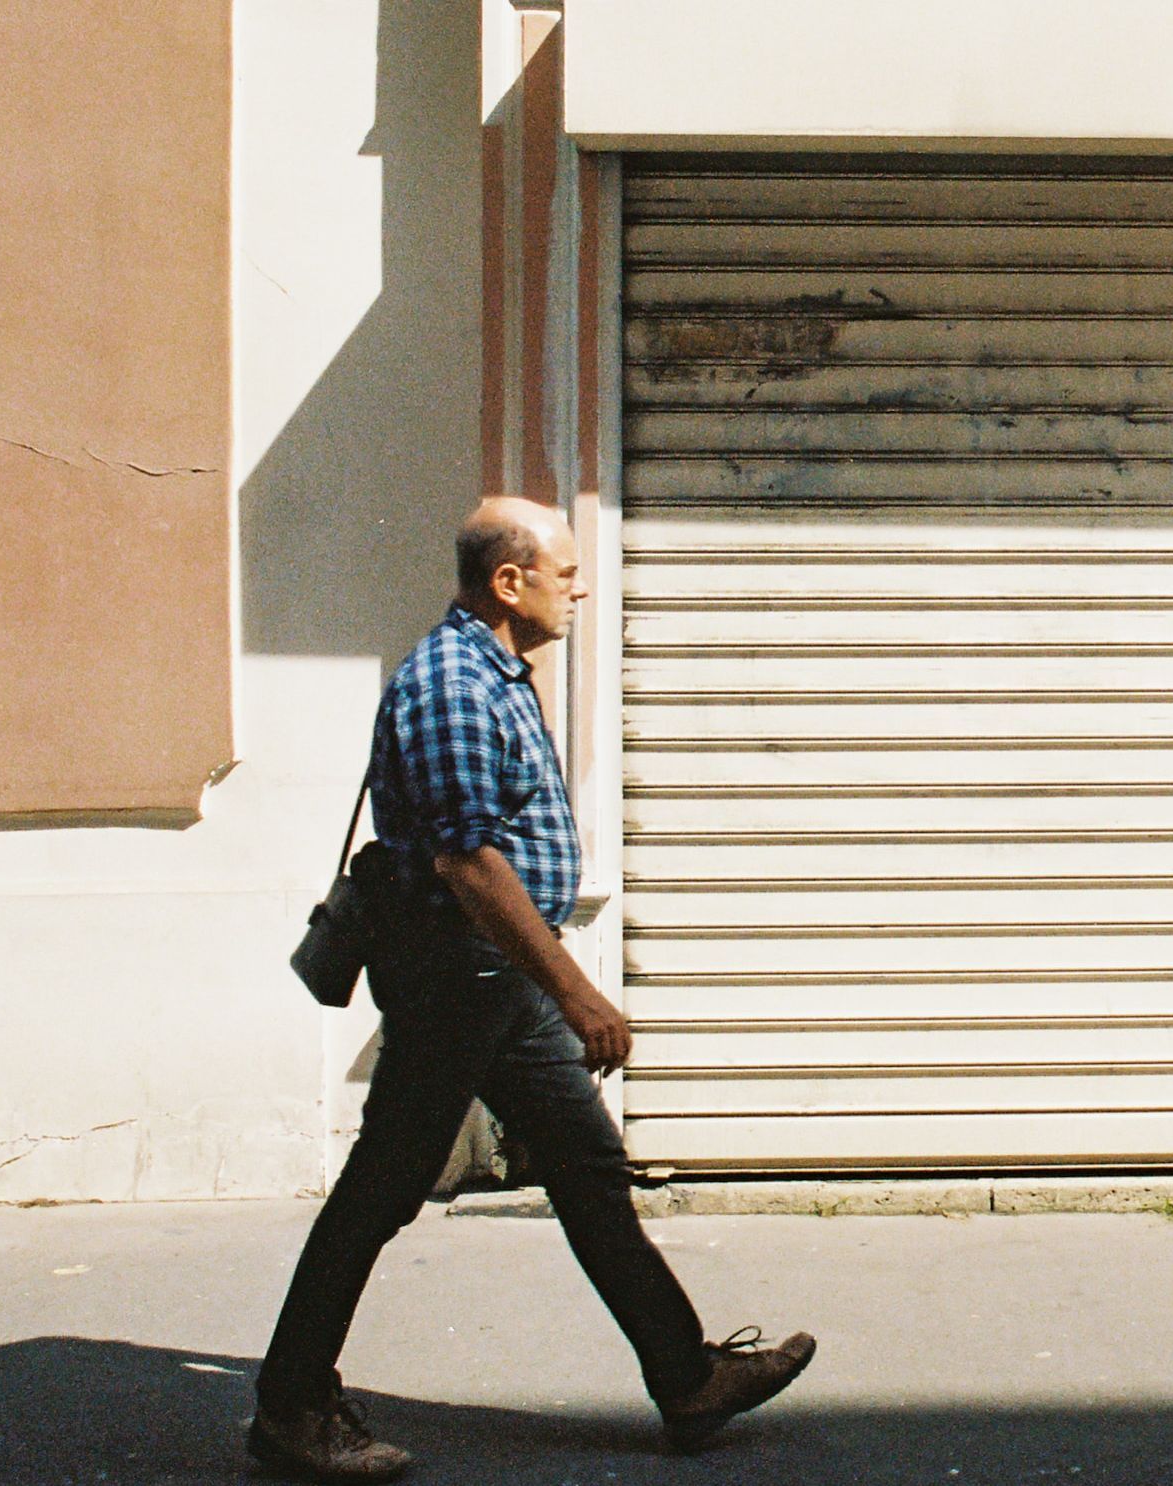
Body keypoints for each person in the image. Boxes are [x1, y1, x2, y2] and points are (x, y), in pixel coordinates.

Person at [248, 496, 814, 1481]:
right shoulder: (453, 686)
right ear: (508, 582)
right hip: (455, 974)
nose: (580, 583)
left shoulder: (497, 672)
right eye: (563, 569)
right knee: (382, 1189)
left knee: (589, 1172)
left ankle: (686, 1378)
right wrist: (577, 994)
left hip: (495, 976)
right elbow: (468, 864)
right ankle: (291, 1407)